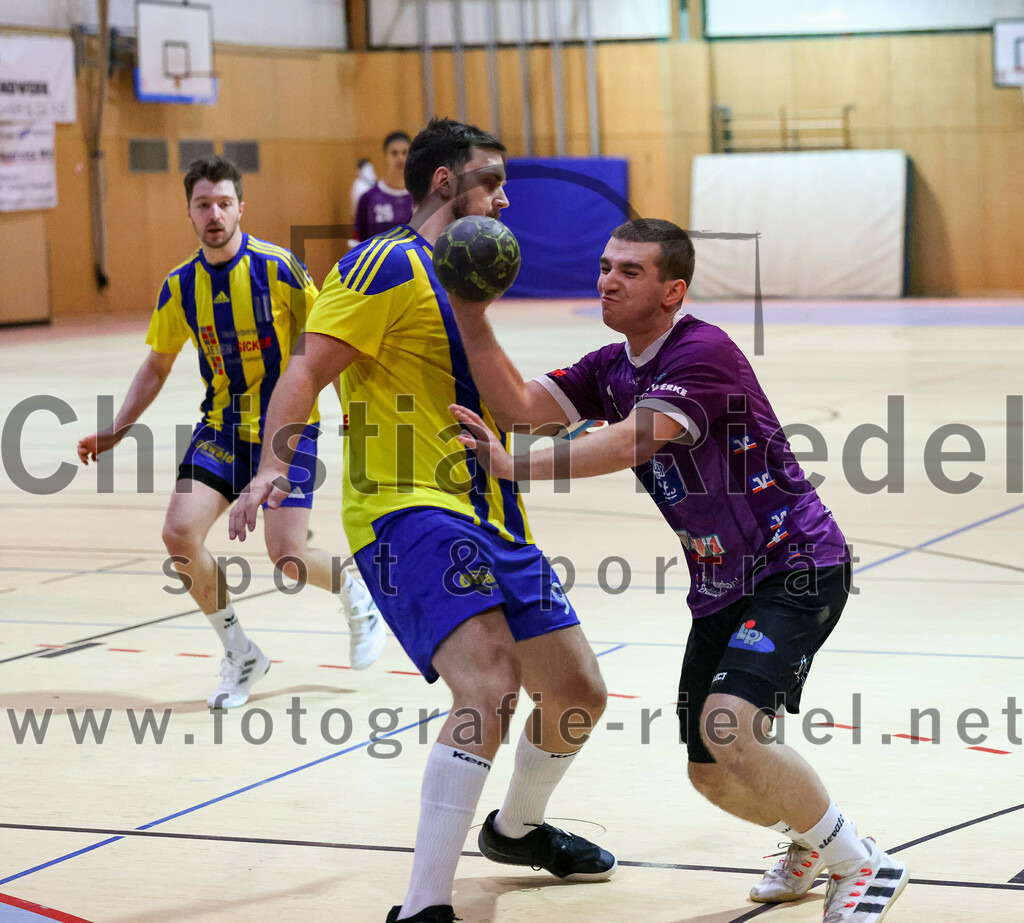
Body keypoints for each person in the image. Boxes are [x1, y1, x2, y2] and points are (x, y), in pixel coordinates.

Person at [447, 218, 910, 923]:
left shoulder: (701, 350)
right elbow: (520, 406)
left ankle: (860, 861)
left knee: (730, 728)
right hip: (719, 585)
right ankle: (811, 840)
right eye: (605, 265)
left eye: (629, 270)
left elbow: (635, 439)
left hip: (797, 564)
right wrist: (473, 316)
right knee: (710, 773)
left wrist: (515, 466)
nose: (607, 278)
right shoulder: (615, 365)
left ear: (673, 290)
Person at [229, 118, 615, 923]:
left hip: (494, 511)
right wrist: (273, 462)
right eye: (493, 180)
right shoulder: (382, 263)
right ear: (446, 183)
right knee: (488, 680)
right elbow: (305, 368)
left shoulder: (462, 276)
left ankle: (515, 830)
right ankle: (422, 906)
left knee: (578, 692)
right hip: (405, 506)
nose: (505, 198)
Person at [77, 155, 386, 709]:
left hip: (287, 430)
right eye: (202, 204)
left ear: (242, 206)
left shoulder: (280, 268)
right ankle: (241, 652)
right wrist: (118, 428)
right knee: (178, 535)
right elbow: (157, 364)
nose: (214, 213)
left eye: (223, 202)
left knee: (287, 556)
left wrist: (350, 410)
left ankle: (353, 591)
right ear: (189, 213)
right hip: (221, 428)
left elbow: (327, 342)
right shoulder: (180, 287)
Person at [351, 130, 414, 246]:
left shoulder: (420, 197)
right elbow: (356, 244)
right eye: (394, 153)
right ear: (386, 155)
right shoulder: (368, 198)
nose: (400, 158)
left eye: (405, 152)